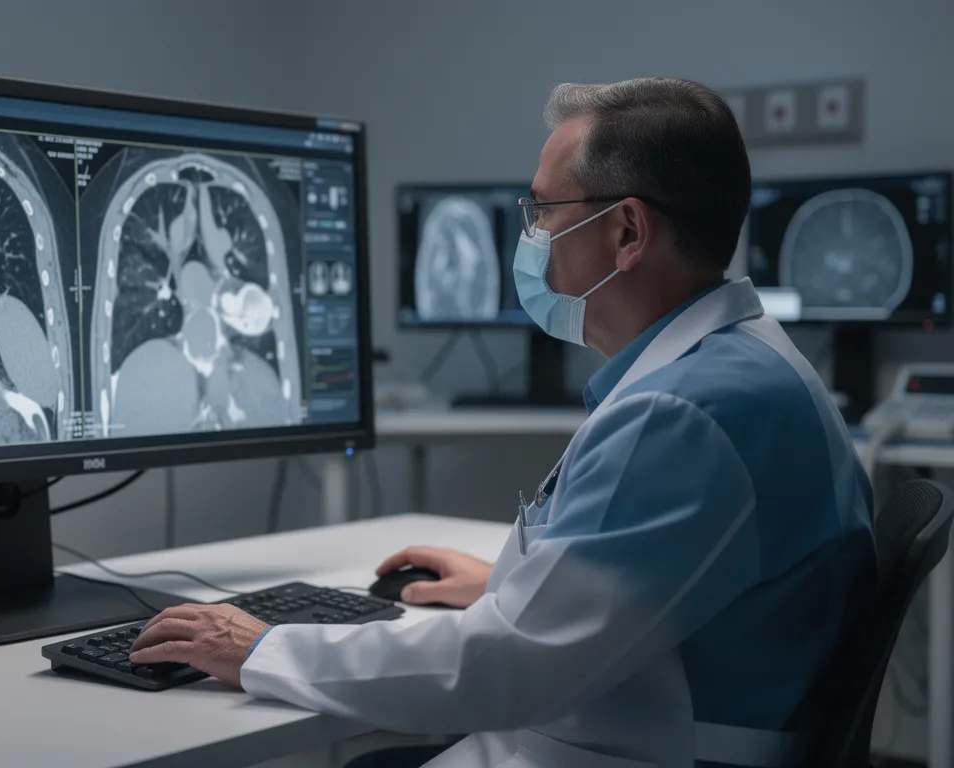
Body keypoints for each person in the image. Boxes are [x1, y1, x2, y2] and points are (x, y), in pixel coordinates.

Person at [129, 78, 877, 768]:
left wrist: (263, 647)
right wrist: (515, 584)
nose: (531, 235)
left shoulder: (685, 412)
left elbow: (508, 669)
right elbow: (665, 576)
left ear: (627, 233)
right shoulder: (740, 365)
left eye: (543, 211)